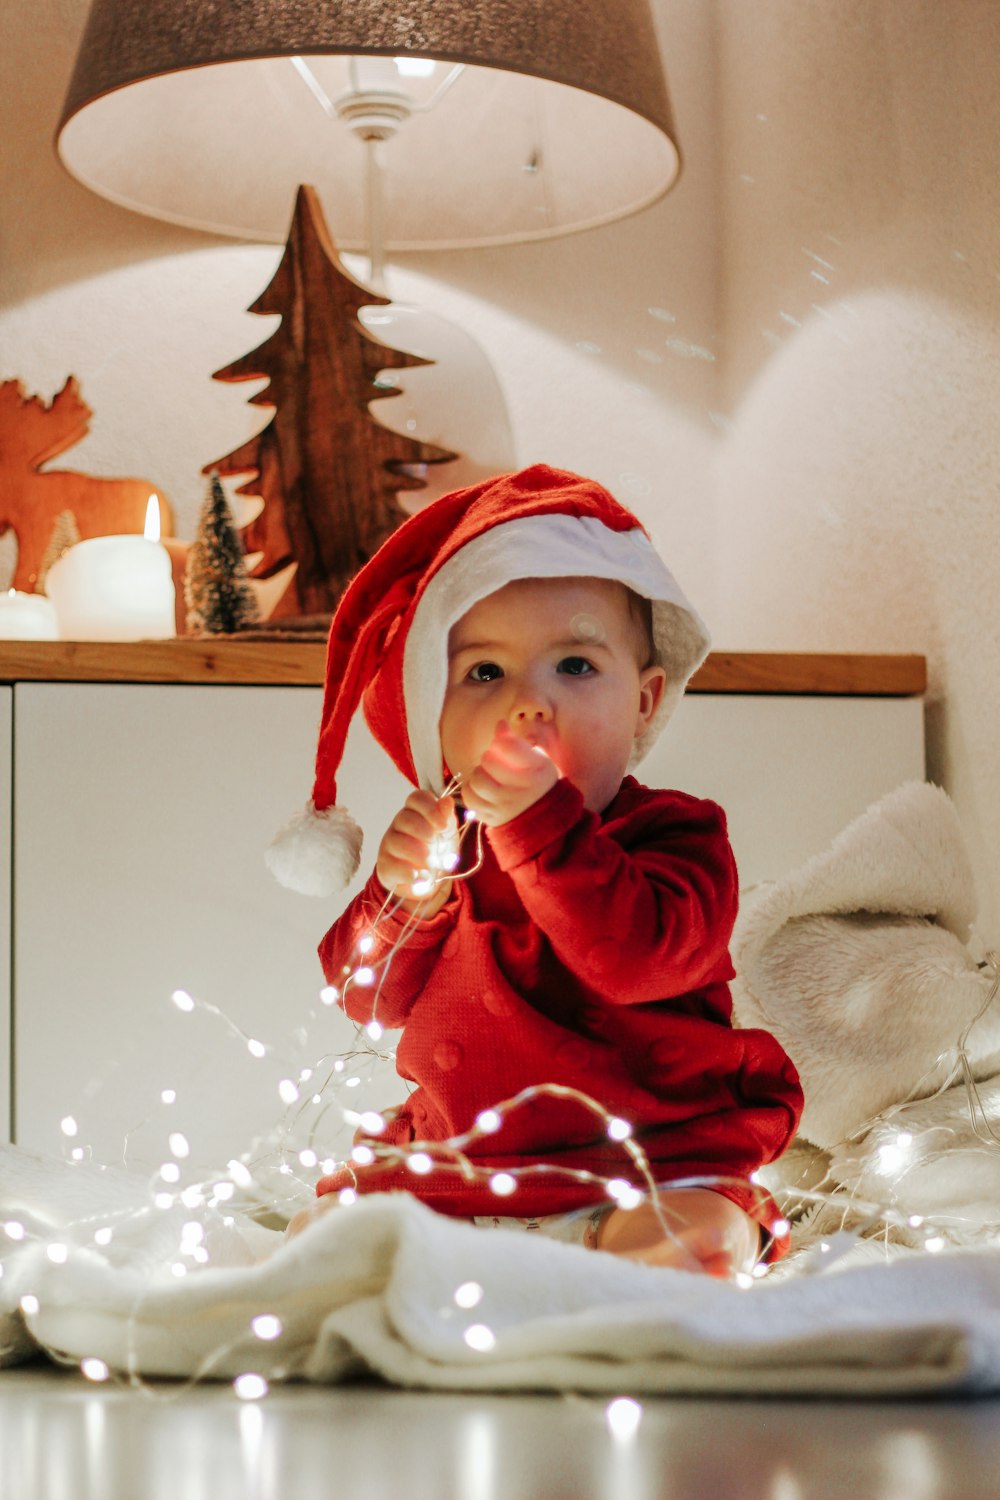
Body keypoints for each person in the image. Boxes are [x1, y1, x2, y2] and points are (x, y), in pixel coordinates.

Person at [271, 465, 803, 1274]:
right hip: (455, 1172)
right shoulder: (443, 847)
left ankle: (635, 1286)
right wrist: (403, 897)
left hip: (646, 1169)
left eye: (576, 667)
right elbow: (364, 997)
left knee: (693, 1237)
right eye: (485, 672)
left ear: (646, 701)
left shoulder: (678, 836)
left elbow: (629, 958)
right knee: (320, 1239)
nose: (528, 705)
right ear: (434, 716)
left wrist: (538, 824)